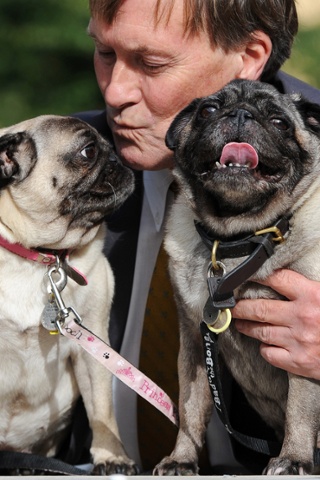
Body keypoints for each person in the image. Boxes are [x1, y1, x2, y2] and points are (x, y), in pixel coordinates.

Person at [74, 0, 320, 474]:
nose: (115, 90)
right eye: (104, 52)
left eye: (151, 63)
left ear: (249, 56)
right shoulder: (52, 164)